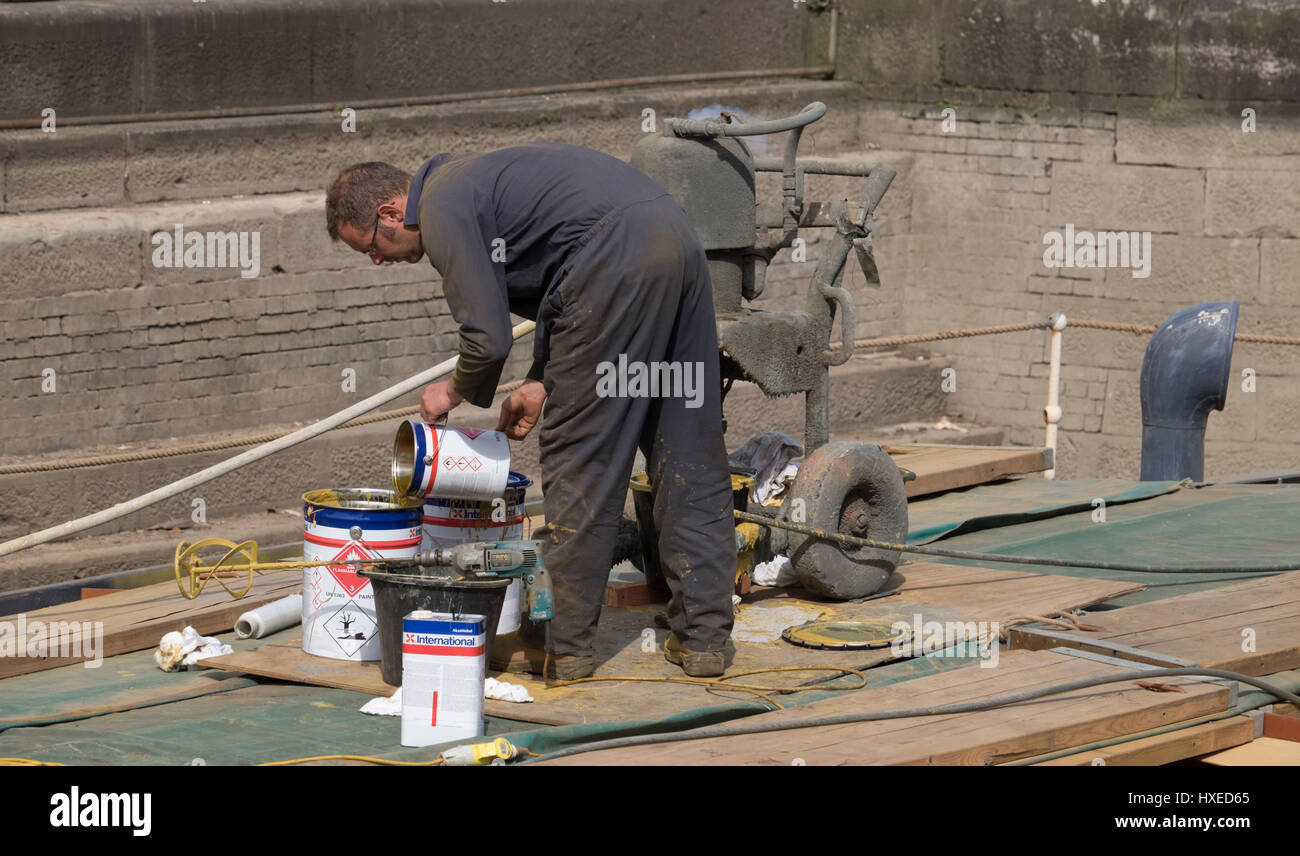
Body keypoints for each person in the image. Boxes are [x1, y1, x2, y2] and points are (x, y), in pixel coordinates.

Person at [325, 142, 735, 678]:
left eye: (371, 248)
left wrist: (451, 391)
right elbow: (564, 278)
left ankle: (563, 648)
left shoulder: (442, 205)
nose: (379, 260)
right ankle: (704, 641)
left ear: (390, 212)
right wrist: (542, 379)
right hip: (675, 244)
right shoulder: (471, 180)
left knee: (583, 459)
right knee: (688, 451)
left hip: (616, 261)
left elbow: (488, 338)